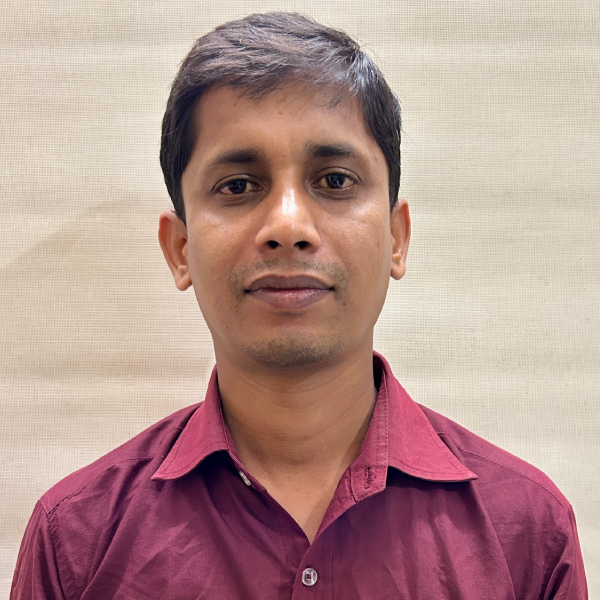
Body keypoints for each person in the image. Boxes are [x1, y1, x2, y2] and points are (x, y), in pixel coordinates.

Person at [11, 12, 587, 599]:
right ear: (180, 249)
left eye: (334, 181)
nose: (288, 226)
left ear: (397, 238)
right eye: (238, 186)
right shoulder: (75, 542)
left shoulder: (528, 535)